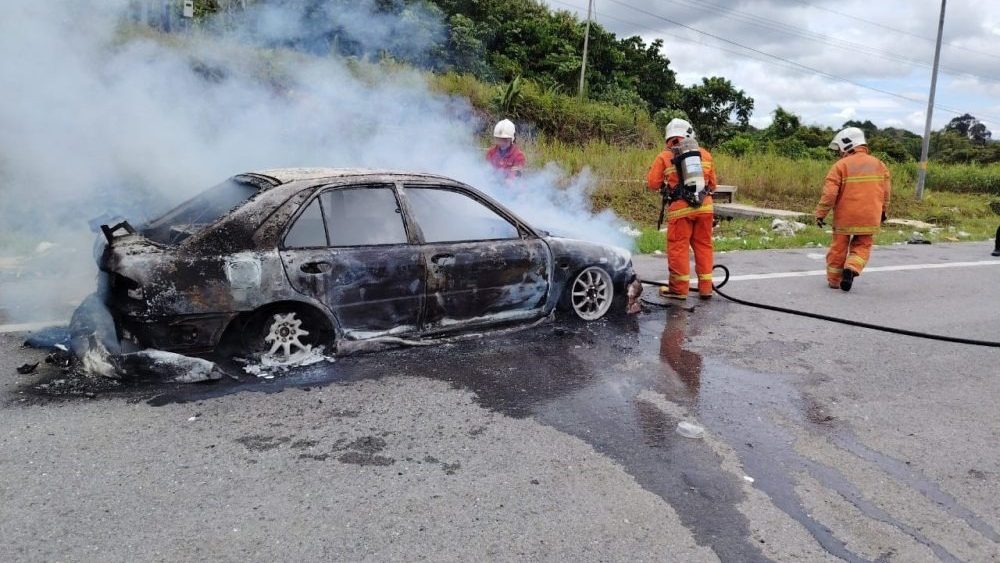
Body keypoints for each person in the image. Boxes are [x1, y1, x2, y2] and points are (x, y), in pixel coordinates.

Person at [646, 118, 717, 301]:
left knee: (679, 248)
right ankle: (706, 288)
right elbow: (713, 185)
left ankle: (678, 290)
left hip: (680, 210)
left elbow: (653, 184)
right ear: (689, 133)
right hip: (705, 207)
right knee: (704, 246)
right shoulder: (706, 155)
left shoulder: (664, 156)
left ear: (669, 138)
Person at [815, 126, 892, 292]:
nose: (839, 153)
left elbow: (829, 194)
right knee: (862, 246)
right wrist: (883, 212)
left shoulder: (840, 166)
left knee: (838, 248)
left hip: (845, 217)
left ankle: (835, 281)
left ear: (846, 144)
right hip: (870, 216)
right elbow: (885, 193)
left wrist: (820, 214)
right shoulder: (880, 165)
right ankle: (851, 268)